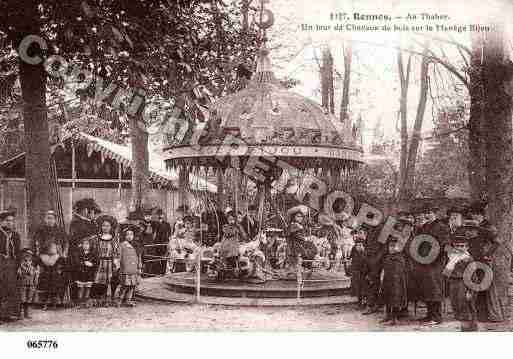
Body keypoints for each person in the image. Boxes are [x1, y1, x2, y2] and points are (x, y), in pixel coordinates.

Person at [466, 201, 505, 323]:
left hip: (484, 260)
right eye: (473, 214)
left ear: (481, 214)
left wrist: (488, 254)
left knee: (488, 286)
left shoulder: (487, 226)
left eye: (476, 214)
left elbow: (497, 241)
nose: (474, 216)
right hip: (474, 259)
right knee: (477, 286)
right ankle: (481, 314)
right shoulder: (472, 226)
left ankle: (495, 315)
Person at [415, 205, 450, 325]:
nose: (427, 215)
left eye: (429, 212)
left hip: (436, 262)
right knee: (427, 288)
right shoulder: (424, 227)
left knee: (435, 288)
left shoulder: (442, 227)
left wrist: (432, 257)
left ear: (435, 213)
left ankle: (436, 317)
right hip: (424, 261)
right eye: (425, 212)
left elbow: (444, 245)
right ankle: (429, 315)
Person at [443, 229, 478, 331]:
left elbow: (474, 277)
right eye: (457, 246)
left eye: (462, 246)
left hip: (464, 284)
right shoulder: (452, 258)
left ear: (467, 247)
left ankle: (469, 328)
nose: (459, 248)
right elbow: (446, 273)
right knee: (456, 305)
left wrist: (470, 291)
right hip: (453, 284)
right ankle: (464, 327)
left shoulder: (468, 259)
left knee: (466, 307)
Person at [0, 208, 22, 322]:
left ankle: (8, 314)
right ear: (1, 221)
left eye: (11, 221)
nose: (10, 223)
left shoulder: (15, 235)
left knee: (11, 288)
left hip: (12, 265)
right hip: (1, 264)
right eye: (7, 220)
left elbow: (18, 253)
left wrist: (18, 267)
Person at [93, 215, 119, 306]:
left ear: (111, 227)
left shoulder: (114, 239)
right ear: (101, 227)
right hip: (100, 262)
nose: (105, 227)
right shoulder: (97, 238)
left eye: (107, 226)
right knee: (99, 281)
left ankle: (108, 299)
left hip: (109, 262)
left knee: (109, 281)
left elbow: (116, 251)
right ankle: (99, 299)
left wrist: (116, 262)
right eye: (104, 225)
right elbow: (95, 250)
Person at [380, 238, 408, 326]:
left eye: (394, 246)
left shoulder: (399, 258)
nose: (391, 248)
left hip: (396, 282)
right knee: (387, 298)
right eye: (390, 246)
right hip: (387, 281)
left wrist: (395, 279)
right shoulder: (387, 257)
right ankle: (388, 315)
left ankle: (394, 318)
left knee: (395, 300)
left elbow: (399, 271)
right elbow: (384, 268)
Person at [36, 242, 68, 310]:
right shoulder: (42, 257)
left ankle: (54, 304)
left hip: (55, 276)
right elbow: (38, 264)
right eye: (50, 247)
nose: (52, 249)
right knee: (45, 291)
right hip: (45, 276)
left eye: (53, 248)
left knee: (54, 291)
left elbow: (63, 266)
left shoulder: (59, 257)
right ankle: (44, 304)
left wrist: (60, 270)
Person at [117, 225, 142, 307]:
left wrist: (139, 267)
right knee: (125, 285)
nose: (129, 236)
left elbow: (139, 257)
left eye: (131, 234)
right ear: (124, 236)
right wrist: (118, 266)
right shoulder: (122, 245)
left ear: (134, 236)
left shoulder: (136, 245)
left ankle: (128, 300)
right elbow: (119, 256)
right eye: (127, 234)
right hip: (125, 269)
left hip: (134, 269)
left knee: (132, 285)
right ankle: (120, 300)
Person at [71, 236, 98, 307]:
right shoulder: (78, 253)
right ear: (81, 245)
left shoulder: (93, 254)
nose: (85, 246)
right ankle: (80, 302)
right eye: (84, 244)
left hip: (89, 274)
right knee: (81, 288)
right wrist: (83, 263)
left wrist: (92, 264)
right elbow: (76, 262)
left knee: (88, 288)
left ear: (90, 245)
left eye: (87, 244)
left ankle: (86, 301)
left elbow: (96, 263)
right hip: (80, 274)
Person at [17, 248, 38, 319]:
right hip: (23, 284)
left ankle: (27, 313)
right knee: (22, 299)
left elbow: (35, 275)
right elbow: (18, 275)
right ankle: (21, 313)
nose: (28, 261)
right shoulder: (20, 267)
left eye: (29, 260)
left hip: (31, 285)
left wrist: (35, 282)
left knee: (29, 299)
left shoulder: (33, 268)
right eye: (26, 260)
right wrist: (21, 270)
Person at [349, 235, 367, 308]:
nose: (359, 246)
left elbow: (367, 263)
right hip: (356, 273)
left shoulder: (365, 253)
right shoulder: (354, 251)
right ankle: (359, 302)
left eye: (360, 245)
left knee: (364, 288)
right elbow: (352, 260)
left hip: (363, 273)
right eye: (357, 245)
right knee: (357, 288)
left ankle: (364, 302)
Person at [153, 208, 172, 275]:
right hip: (157, 243)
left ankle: (163, 272)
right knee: (158, 258)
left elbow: (169, 234)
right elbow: (154, 233)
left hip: (164, 242)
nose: (160, 216)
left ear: (163, 215)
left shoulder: (167, 224)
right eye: (159, 215)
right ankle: (159, 272)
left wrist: (168, 242)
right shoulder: (155, 224)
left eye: (161, 214)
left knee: (164, 257)